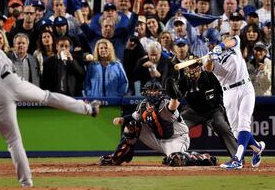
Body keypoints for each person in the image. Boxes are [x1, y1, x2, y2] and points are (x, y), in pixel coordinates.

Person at [0, 23, 101, 187]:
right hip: (13, 80)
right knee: (47, 97)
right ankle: (88, 108)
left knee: (13, 140)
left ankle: (27, 184)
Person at [204, 35, 266, 169]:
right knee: (236, 131)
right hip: (229, 92)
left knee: (244, 124)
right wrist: (210, 58)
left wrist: (219, 47)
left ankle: (237, 159)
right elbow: (208, 68)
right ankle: (257, 148)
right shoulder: (212, 58)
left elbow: (231, 41)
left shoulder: (234, 45)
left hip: (245, 87)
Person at [99, 78, 189, 165]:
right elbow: (134, 117)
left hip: (176, 138)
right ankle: (119, 156)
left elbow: (172, 107)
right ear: (145, 91)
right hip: (157, 138)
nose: (152, 93)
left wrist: (174, 97)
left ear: (161, 92)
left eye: (155, 91)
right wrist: (123, 119)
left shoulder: (165, 102)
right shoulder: (143, 105)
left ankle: (201, 158)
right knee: (132, 126)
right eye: (150, 90)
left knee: (176, 159)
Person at [177, 62, 237, 158]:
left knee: (223, 127)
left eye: (194, 67)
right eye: (190, 67)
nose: (192, 70)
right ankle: (176, 155)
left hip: (213, 111)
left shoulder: (211, 76)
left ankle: (237, 157)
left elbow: (223, 92)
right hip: (193, 112)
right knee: (178, 127)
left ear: (200, 67)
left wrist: (223, 108)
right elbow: (177, 100)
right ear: (186, 69)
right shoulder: (182, 82)